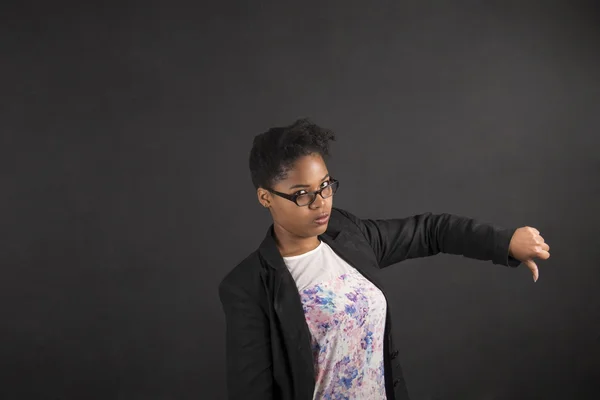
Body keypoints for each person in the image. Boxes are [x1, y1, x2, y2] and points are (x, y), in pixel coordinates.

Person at [218, 118, 551, 400]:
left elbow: (429, 231)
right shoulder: (249, 286)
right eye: (302, 193)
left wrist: (503, 241)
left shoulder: (347, 234)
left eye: (326, 186)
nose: (321, 203)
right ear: (265, 197)